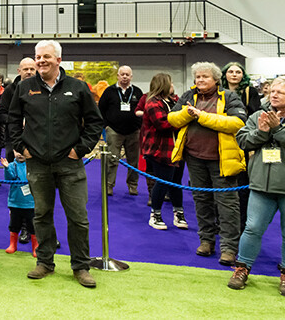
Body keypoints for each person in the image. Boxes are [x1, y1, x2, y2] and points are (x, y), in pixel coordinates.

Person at [9, 40, 103, 288]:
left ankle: (81, 266)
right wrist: (22, 147)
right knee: (41, 215)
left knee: (78, 218)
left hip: (70, 164)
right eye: (38, 57)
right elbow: (12, 120)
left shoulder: (78, 88)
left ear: (59, 60)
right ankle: (45, 262)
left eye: (46, 57)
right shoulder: (24, 88)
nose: (41, 61)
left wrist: (79, 149)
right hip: (37, 164)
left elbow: (95, 122)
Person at [168, 62, 246, 266]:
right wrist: (188, 113)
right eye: (198, 77)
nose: (200, 80)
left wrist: (202, 117)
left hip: (223, 160)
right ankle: (206, 240)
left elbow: (237, 123)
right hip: (195, 158)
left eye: (205, 77)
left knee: (227, 204)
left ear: (216, 79)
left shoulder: (229, 97)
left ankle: (229, 247)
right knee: (201, 200)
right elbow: (173, 119)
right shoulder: (188, 96)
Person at [230, 76, 285, 294]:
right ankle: (242, 268)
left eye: (280, 92)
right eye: (272, 91)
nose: (274, 94)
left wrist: (277, 129)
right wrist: (262, 131)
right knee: (252, 228)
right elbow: (242, 141)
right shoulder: (256, 116)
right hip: (261, 184)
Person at [142, 73, 188, 231]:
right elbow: (164, 124)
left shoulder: (174, 101)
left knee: (176, 183)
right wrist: (185, 117)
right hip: (160, 150)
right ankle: (155, 214)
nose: (173, 85)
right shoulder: (152, 103)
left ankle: (178, 213)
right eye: (171, 82)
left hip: (177, 149)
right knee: (162, 182)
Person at [0, 57, 37, 244]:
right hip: (14, 142)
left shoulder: (41, 88)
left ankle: (39, 231)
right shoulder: (10, 91)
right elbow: (1, 113)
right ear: (19, 70)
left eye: (32, 68)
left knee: (39, 190)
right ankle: (20, 228)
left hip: (37, 144)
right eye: (26, 69)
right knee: (17, 187)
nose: (29, 72)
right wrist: (16, 121)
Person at [222, 61, 261, 233]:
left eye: (238, 72)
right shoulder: (219, 91)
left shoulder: (249, 91)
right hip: (223, 140)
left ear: (242, 75)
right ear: (225, 74)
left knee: (242, 183)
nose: (234, 74)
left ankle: (242, 222)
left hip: (243, 141)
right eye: (231, 71)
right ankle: (222, 221)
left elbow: (255, 114)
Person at [98, 65, 143, 197]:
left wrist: (139, 126)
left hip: (134, 131)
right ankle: (109, 186)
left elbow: (142, 109)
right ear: (118, 76)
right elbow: (101, 109)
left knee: (133, 161)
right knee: (112, 160)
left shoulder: (137, 92)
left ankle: (133, 186)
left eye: (127, 74)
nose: (124, 77)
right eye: (122, 74)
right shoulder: (109, 91)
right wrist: (105, 126)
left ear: (131, 77)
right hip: (114, 131)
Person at [1, 157, 37, 256]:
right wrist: (7, 168)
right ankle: (13, 245)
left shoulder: (33, 164)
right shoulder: (12, 165)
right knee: (14, 225)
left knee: (32, 225)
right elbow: (8, 179)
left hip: (30, 203)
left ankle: (36, 247)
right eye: (17, 151)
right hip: (15, 202)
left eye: (22, 151)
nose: (20, 154)